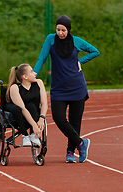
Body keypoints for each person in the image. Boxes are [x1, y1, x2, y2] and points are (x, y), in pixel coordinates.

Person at [33, 15, 100, 163]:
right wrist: (33, 74)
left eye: (63, 30)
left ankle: (70, 152)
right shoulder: (50, 39)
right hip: (59, 88)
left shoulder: (76, 41)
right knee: (58, 118)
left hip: (77, 87)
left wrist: (80, 61)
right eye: (58, 29)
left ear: (68, 30)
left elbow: (95, 51)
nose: (60, 33)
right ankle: (81, 143)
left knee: (75, 122)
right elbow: (41, 59)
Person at [4, 63, 48, 147]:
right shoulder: (15, 88)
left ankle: (32, 135)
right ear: (25, 77)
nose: (35, 73)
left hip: (32, 111)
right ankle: (25, 136)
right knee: (19, 108)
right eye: (32, 71)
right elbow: (22, 108)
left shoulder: (39, 83)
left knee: (31, 106)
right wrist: (35, 125)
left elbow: (44, 103)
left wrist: (42, 118)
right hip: (17, 113)